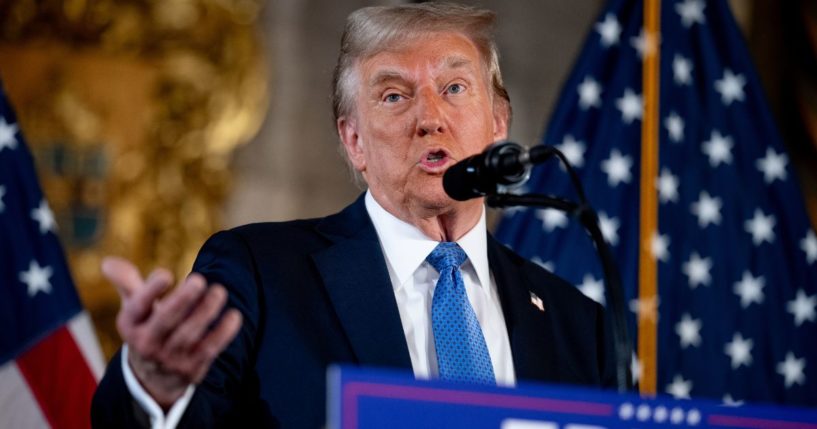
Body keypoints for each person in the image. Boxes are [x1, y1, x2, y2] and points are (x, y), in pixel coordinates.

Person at [91, 3, 615, 428]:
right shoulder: (259, 274)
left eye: (454, 88)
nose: (430, 118)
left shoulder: (577, 325)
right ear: (354, 140)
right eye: (394, 95)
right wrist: (152, 391)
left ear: (498, 121)